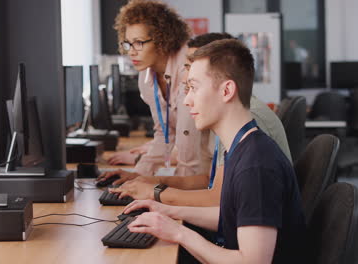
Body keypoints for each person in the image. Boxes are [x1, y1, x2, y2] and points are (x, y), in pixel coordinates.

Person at [125, 38, 306, 264]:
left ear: (227, 90)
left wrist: (179, 233)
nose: (187, 101)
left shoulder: (256, 165)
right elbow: (232, 216)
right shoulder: (242, 146)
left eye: (193, 88)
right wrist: (168, 211)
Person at [103, 33, 291, 207]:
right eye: (186, 67)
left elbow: (218, 200)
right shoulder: (227, 119)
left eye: (191, 69)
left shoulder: (248, 124)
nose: (184, 78)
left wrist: (156, 194)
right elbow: (210, 181)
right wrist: (152, 182)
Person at [101, 0, 211, 178]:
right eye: (127, 43)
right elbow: (164, 134)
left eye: (139, 43)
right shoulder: (146, 78)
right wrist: (136, 176)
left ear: (162, 40)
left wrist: (166, 191)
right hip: (190, 177)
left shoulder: (188, 68)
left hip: (209, 176)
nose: (131, 52)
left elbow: (188, 154)